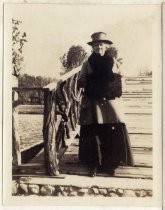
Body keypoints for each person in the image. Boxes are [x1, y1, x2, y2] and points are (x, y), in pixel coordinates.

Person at [77, 32, 134, 177]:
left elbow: (121, 78)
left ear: (106, 46)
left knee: (112, 131)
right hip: (93, 102)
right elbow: (81, 78)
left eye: (101, 44)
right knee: (94, 132)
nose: (99, 47)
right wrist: (84, 83)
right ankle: (95, 164)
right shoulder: (87, 63)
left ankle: (111, 164)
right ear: (92, 47)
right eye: (96, 45)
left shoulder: (113, 61)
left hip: (110, 102)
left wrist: (111, 88)